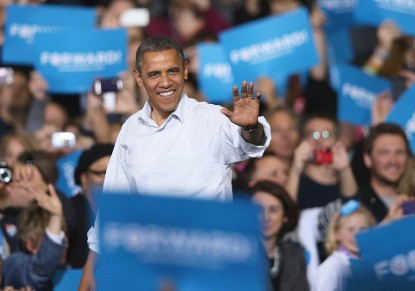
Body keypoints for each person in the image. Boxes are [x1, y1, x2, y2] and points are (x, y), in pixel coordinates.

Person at [79, 36, 271, 290]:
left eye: (173, 71)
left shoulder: (212, 118)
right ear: (138, 78)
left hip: (207, 270)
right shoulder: (131, 129)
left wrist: (251, 127)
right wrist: (89, 269)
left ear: (186, 70)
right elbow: (115, 205)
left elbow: (251, 142)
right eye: (154, 74)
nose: (166, 82)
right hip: (150, 272)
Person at [2, 184, 67, 291]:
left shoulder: (82, 273)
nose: (62, 244)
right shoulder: (16, 265)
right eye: (48, 240)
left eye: (62, 237)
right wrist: (55, 217)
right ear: (30, 245)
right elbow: (42, 266)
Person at [250, 180, 309, 291]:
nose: (265, 217)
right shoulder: (241, 255)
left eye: (273, 210)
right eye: (258, 209)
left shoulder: (294, 256)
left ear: (285, 217)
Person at [291, 114, 357, 209]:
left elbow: (352, 208)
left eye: (327, 135)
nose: (319, 141)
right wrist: (295, 169)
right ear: (301, 140)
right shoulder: (293, 180)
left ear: (337, 141)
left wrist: (345, 169)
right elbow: (286, 214)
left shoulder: (347, 180)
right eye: (313, 135)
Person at [67, 143, 114, 269]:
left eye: (114, 172)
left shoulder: (125, 212)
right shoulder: (68, 210)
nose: (109, 178)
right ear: (84, 178)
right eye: (102, 173)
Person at [314, 200, 376, 291]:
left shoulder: (374, 264)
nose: (357, 235)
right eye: (351, 229)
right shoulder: (332, 267)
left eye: (363, 229)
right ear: (336, 234)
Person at [355, 123, 410, 222]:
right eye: (384, 152)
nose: (393, 161)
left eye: (399, 152)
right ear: (368, 159)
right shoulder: (357, 204)